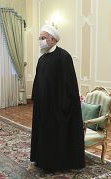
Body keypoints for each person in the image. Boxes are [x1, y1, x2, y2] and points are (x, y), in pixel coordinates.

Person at [30, 24, 85, 171]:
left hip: (57, 107)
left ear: (52, 39)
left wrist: (64, 105)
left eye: (43, 38)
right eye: (40, 38)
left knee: (55, 136)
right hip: (43, 107)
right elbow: (38, 81)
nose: (40, 40)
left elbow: (70, 84)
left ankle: (54, 164)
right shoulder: (42, 59)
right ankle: (41, 160)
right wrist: (35, 98)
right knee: (43, 135)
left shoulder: (64, 56)